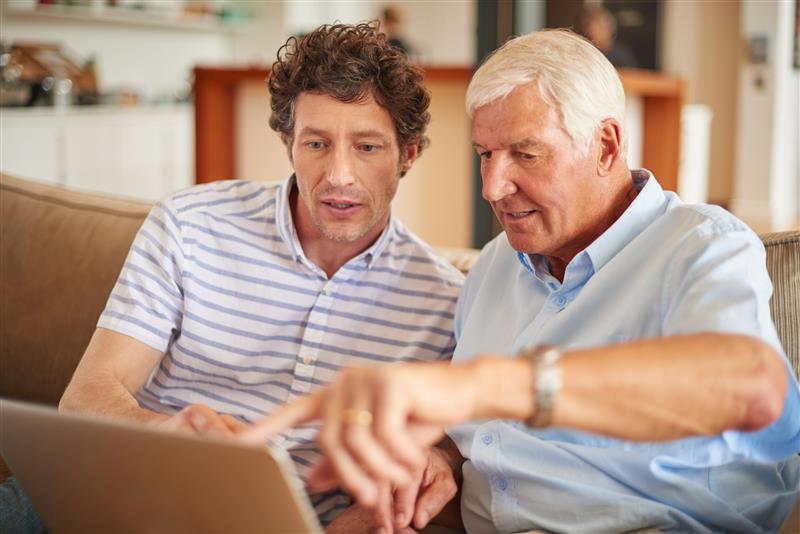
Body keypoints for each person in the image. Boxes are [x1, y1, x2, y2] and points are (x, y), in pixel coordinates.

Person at [243, 29, 800, 533]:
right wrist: (442, 458)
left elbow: (752, 388)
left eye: (525, 154)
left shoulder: (700, 247)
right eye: (485, 155)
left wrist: (489, 384)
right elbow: (475, 438)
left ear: (605, 146)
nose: (492, 186)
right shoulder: (494, 266)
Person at [43, 22, 464, 532]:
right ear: (289, 144)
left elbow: (443, 465)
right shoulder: (189, 224)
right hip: (127, 496)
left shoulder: (446, 304)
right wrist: (163, 431)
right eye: (316, 144)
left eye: (368, 147)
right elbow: (87, 395)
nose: (339, 176)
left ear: (408, 154)